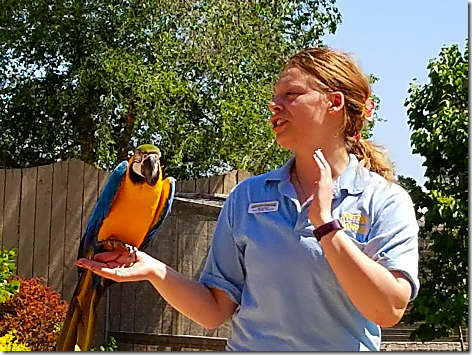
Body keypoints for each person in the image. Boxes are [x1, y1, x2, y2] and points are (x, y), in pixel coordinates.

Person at [76, 46, 419, 351]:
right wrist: (154, 270)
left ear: (334, 102)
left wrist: (327, 226)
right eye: (275, 95)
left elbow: (387, 311)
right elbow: (213, 311)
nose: (275, 104)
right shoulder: (247, 197)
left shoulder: (385, 200)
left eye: (291, 94)